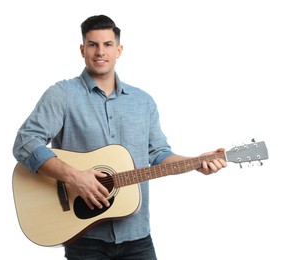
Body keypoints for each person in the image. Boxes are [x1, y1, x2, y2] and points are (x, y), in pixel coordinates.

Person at [13, 14, 227, 260]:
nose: (100, 52)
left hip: (137, 235)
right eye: (92, 44)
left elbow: (158, 154)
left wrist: (196, 162)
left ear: (119, 50)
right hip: (84, 237)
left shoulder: (143, 101)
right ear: (82, 50)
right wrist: (74, 176)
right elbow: (25, 142)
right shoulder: (62, 94)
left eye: (107, 45)